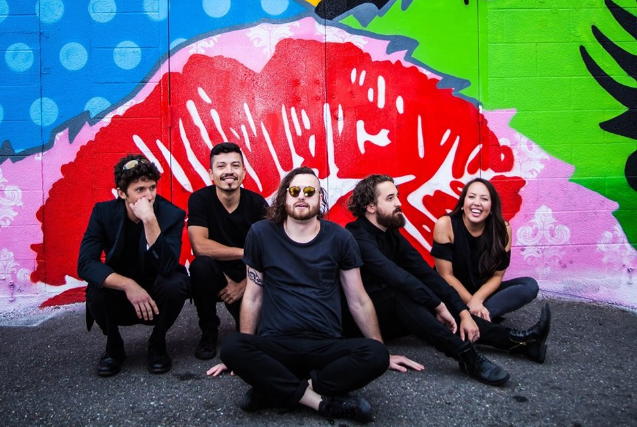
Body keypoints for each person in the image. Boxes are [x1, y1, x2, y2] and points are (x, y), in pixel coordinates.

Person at [208, 167, 421, 423]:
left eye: (310, 191)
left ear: (320, 198)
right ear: (284, 197)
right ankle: (320, 402)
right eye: (295, 191)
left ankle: (276, 390)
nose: (302, 196)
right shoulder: (260, 234)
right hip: (277, 344)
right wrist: (246, 350)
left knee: (375, 355)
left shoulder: (340, 238)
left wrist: (382, 349)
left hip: (325, 345)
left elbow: (358, 299)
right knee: (232, 347)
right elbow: (253, 297)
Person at [345, 174, 551, 386]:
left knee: (431, 297)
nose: (399, 203)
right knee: (402, 294)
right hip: (360, 325)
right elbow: (399, 278)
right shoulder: (356, 237)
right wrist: (438, 304)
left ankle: (520, 342)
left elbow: (426, 273)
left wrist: (462, 312)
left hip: (393, 316)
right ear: (371, 206)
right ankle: (467, 356)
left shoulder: (390, 233)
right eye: (390, 198)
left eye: (397, 196)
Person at [78, 154, 189, 377]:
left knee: (176, 283)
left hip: (156, 292)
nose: (149, 196)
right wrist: (128, 285)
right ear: (121, 193)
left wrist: (150, 221)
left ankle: (157, 344)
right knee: (95, 290)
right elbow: (86, 264)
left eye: (152, 188)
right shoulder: (103, 213)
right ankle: (114, 348)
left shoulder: (171, 214)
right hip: (121, 294)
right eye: (140, 190)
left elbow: (168, 266)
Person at [187, 142, 268, 360]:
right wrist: (245, 253)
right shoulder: (200, 200)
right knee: (200, 266)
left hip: (247, 276)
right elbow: (199, 246)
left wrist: (244, 285)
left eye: (235, 165)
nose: (229, 171)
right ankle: (208, 329)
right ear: (211, 174)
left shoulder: (257, 203)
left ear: (244, 172)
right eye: (221, 166)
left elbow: (270, 252)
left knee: (255, 339)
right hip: (215, 274)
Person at [432, 177, 539, 322]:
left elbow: (497, 276)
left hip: (482, 294)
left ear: (491, 207)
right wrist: (472, 303)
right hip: (451, 292)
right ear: (463, 203)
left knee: (529, 285)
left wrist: (477, 299)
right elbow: (446, 275)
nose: (477, 203)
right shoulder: (445, 224)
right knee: (435, 302)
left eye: (484, 199)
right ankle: (481, 319)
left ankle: (474, 318)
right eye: (471, 197)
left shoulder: (503, 230)